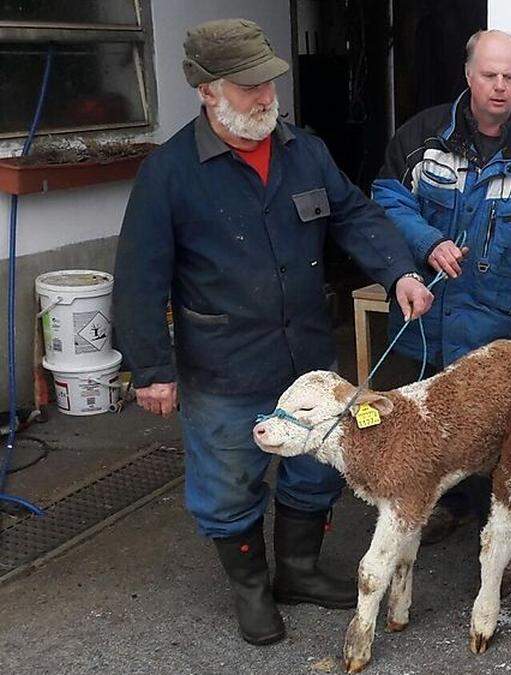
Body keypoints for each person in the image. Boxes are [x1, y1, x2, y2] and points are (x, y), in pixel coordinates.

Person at [112, 19, 433, 646]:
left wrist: (399, 272)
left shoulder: (303, 151)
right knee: (228, 481)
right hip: (223, 365)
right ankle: (252, 592)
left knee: (315, 468)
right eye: (249, 86)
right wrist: (151, 368)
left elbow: (355, 215)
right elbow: (138, 278)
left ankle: (300, 571)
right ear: (207, 90)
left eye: (269, 83)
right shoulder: (169, 173)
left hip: (307, 358)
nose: (266, 97)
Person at [372, 30, 511, 545]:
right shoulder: (422, 137)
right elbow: (385, 201)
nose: (500, 86)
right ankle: (443, 508)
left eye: (510, 76)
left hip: (493, 327)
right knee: (425, 426)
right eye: (490, 75)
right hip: (425, 320)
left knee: (492, 437)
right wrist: (428, 241)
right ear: (469, 76)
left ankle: (496, 537)